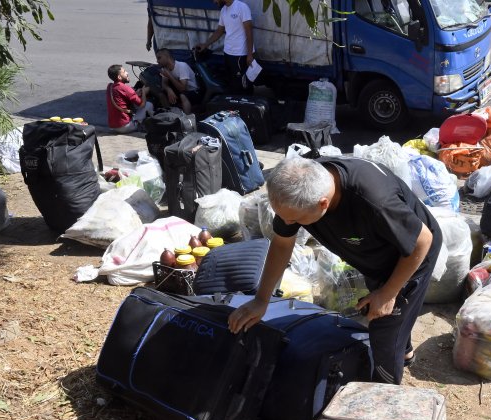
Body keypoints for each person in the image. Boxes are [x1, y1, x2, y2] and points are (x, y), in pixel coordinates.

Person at [227, 157, 443, 385]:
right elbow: (282, 244)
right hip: (374, 252)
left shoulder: (373, 200)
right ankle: (405, 352)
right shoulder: (300, 185)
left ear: (323, 204)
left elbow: (422, 240)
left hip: (411, 252)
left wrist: (388, 292)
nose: (286, 222)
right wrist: (262, 299)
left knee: (383, 328)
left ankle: (384, 395)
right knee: (388, 315)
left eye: (294, 220)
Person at [195, 0, 255, 94]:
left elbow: (249, 31)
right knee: (232, 84)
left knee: (243, 86)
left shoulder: (242, 7)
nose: (214, 2)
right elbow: (220, 30)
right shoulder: (224, 10)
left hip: (240, 54)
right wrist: (205, 44)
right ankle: (234, 105)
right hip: (228, 53)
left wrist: (250, 54)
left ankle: (246, 105)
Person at [106, 64, 153, 134]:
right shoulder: (125, 88)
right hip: (125, 127)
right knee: (148, 105)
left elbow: (123, 98)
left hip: (113, 127)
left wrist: (135, 93)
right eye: (124, 72)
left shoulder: (109, 87)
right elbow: (142, 105)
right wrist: (143, 92)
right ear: (119, 77)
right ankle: (153, 125)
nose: (127, 73)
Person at [154, 48, 202, 114]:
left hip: (193, 91)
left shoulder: (181, 66)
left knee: (183, 95)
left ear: (167, 57)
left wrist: (169, 75)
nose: (157, 61)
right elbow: (164, 84)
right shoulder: (165, 68)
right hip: (181, 90)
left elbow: (183, 88)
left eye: (159, 58)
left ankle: (187, 119)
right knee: (162, 94)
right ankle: (170, 114)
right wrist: (169, 90)